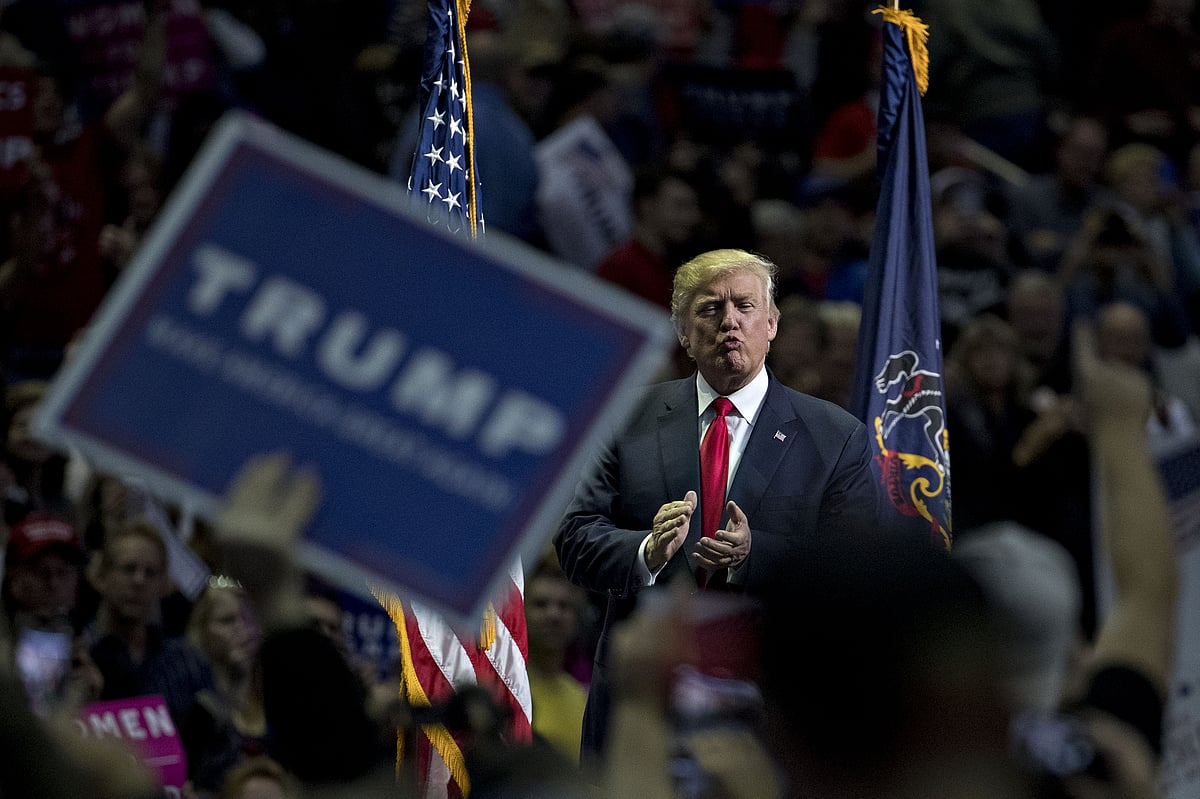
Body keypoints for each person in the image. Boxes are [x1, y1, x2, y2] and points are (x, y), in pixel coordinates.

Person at [555, 247, 882, 770]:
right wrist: (646, 549)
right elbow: (574, 539)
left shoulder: (835, 437)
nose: (729, 320)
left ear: (772, 324)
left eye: (745, 307)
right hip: (641, 704)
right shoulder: (623, 415)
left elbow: (857, 571)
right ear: (683, 332)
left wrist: (754, 555)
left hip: (768, 708)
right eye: (710, 309)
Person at [523, 549, 589, 764]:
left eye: (564, 606)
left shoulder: (580, 697)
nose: (554, 615)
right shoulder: (510, 691)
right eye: (540, 604)